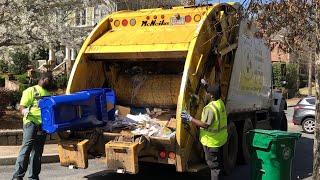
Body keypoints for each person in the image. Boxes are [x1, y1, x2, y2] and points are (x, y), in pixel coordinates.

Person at [181, 83, 228, 180]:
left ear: (211, 95)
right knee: (217, 162)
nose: (205, 93)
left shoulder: (210, 109)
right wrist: (205, 85)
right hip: (219, 139)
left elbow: (205, 124)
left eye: (207, 92)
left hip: (211, 142)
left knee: (214, 167)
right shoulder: (220, 102)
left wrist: (190, 118)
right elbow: (213, 93)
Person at [12, 72, 53, 180]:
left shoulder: (49, 94)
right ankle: (17, 176)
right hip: (31, 123)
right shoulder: (30, 90)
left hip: (43, 126)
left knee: (37, 152)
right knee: (26, 149)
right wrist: (23, 110)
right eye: (50, 79)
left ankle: (33, 177)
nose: (51, 82)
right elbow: (22, 106)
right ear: (43, 79)